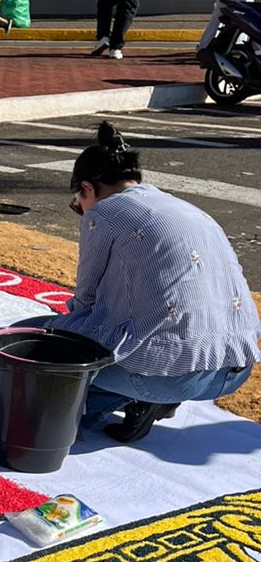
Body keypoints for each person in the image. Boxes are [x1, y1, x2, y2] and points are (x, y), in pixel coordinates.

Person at [48, 122, 260, 443]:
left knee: (57, 342)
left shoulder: (105, 212)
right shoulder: (187, 208)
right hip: (235, 371)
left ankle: (137, 399)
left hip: (168, 378)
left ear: (87, 189)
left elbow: (85, 301)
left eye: (79, 200)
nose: (81, 209)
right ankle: (149, 398)